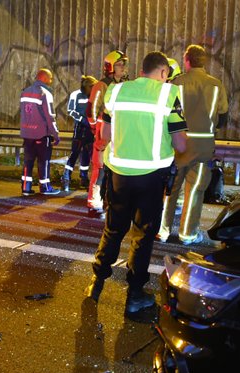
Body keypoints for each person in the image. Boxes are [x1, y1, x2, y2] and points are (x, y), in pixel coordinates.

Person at [84, 51, 188, 317]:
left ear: (142, 70)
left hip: (118, 174)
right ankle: (134, 296)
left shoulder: (116, 91)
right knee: (142, 235)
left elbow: (105, 134)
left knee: (113, 229)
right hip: (151, 177)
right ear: (163, 72)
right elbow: (180, 143)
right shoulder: (169, 94)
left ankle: (96, 284)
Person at [158, 45, 228, 245]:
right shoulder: (216, 85)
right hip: (204, 145)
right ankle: (187, 234)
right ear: (204, 62)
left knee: (170, 188)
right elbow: (223, 117)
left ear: (186, 61)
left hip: (179, 144)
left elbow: (166, 114)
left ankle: (162, 230)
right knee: (195, 190)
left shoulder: (176, 83)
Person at [85, 50, 129, 215]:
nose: (123, 67)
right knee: (100, 168)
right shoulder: (101, 85)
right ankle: (93, 202)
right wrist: (96, 128)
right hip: (104, 132)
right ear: (110, 67)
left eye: (124, 64)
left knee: (117, 170)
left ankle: (111, 203)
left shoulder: (125, 85)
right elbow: (91, 110)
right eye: (119, 64)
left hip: (120, 132)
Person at [19, 68, 61, 196]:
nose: (51, 81)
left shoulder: (25, 92)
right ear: (44, 78)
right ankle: (45, 187)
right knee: (44, 161)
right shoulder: (45, 94)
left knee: (28, 161)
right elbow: (49, 116)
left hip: (27, 134)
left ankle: (26, 187)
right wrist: (56, 134)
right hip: (41, 134)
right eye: (50, 78)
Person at [62, 75, 98, 192]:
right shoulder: (75, 94)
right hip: (80, 129)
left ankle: (84, 179)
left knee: (88, 155)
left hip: (91, 129)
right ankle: (66, 178)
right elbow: (70, 110)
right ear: (87, 86)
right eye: (92, 87)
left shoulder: (95, 95)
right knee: (74, 153)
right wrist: (82, 120)